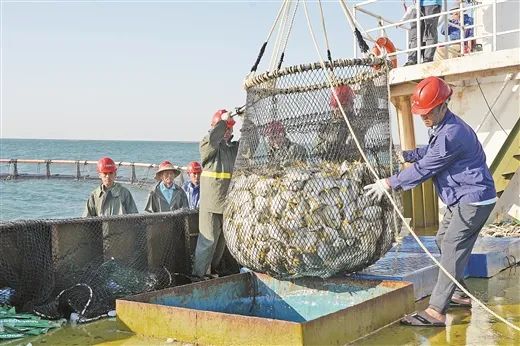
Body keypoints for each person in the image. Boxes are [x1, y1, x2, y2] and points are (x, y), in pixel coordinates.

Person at [363, 76, 496, 327]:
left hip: (473, 200)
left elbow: (426, 167)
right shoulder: (443, 127)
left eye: (428, 112)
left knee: (453, 247)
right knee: (442, 240)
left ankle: (436, 311)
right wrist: (405, 154)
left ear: (444, 104)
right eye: (420, 113)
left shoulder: (451, 133)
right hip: (462, 199)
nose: (423, 117)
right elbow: (429, 152)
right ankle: (460, 293)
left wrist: (389, 183)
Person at [192, 109, 239, 278]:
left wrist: (247, 122)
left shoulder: (233, 149)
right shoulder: (207, 146)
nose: (227, 132)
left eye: (229, 129)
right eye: (224, 129)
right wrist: (223, 122)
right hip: (211, 204)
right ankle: (198, 275)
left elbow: (250, 146)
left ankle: (214, 271)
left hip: (228, 204)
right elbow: (214, 138)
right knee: (208, 241)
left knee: (221, 244)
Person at [314, 85, 357, 162]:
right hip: (331, 166)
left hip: (352, 163)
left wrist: (367, 85)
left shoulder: (356, 123)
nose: (337, 110)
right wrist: (330, 145)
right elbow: (316, 149)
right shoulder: (325, 127)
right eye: (335, 107)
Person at [405, 0, 442, 65]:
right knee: (415, 33)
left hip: (431, 3)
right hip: (416, 5)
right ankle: (412, 59)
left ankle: (427, 58)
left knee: (430, 31)